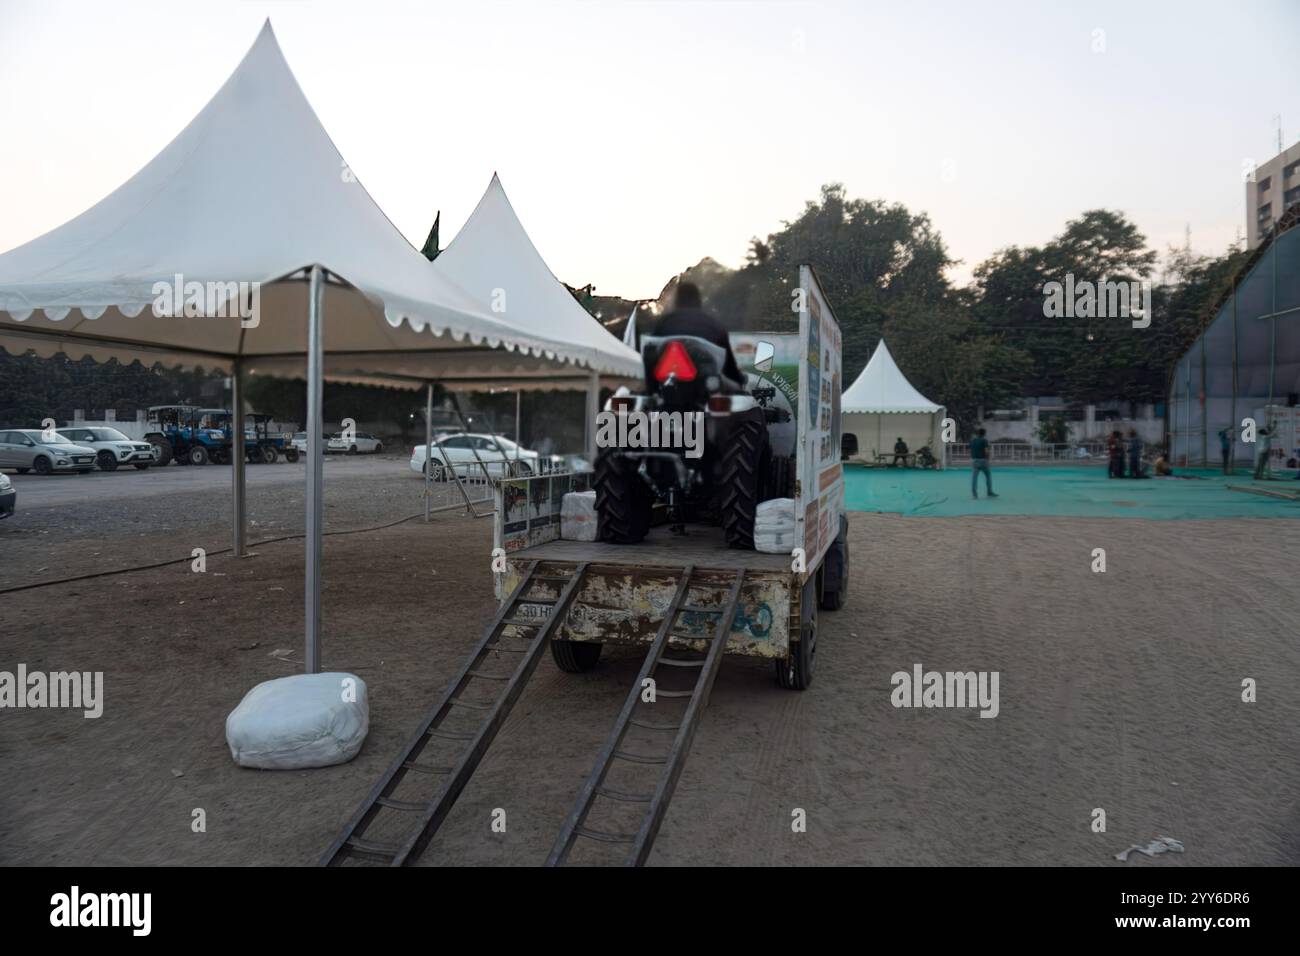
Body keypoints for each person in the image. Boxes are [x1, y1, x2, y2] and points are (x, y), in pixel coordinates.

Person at [649, 281, 744, 385]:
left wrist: (649, 386)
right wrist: (739, 379)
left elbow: (651, 353)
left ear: (677, 299)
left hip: (667, 381)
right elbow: (728, 363)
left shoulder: (663, 322)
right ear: (699, 299)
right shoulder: (713, 324)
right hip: (706, 384)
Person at [970, 427, 997, 498]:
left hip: (975, 460)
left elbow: (971, 449)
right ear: (984, 434)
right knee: (988, 476)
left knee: (974, 478)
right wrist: (988, 459)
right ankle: (989, 492)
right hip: (983, 460)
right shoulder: (984, 441)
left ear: (978, 433)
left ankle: (974, 494)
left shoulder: (973, 441)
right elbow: (986, 451)